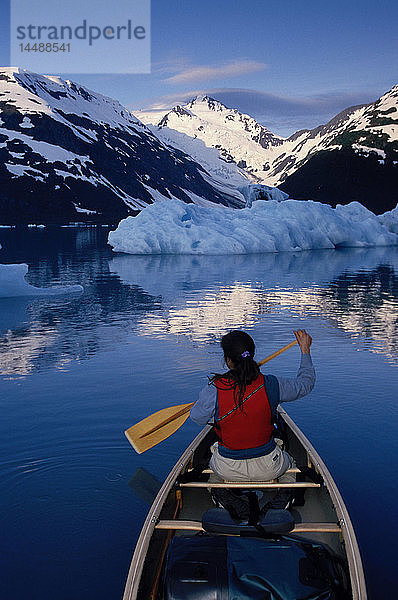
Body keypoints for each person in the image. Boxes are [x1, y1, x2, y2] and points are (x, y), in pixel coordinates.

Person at [190, 329, 315, 482]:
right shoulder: (272, 385)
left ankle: (220, 496)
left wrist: (205, 400)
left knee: (213, 466)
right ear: (252, 355)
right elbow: (305, 384)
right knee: (290, 462)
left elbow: (197, 418)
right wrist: (305, 350)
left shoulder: (214, 389)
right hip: (269, 466)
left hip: (228, 468)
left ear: (228, 360)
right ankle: (284, 495)